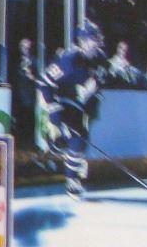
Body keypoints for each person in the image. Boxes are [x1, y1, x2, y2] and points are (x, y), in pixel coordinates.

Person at [39, 20, 105, 198]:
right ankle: (71, 180)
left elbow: (98, 82)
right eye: (93, 39)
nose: (97, 43)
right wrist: (53, 108)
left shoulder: (98, 58)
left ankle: (60, 148)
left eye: (97, 39)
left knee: (81, 140)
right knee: (77, 139)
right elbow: (44, 83)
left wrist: (94, 99)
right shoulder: (69, 59)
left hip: (78, 106)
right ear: (83, 41)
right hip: (63, 103)